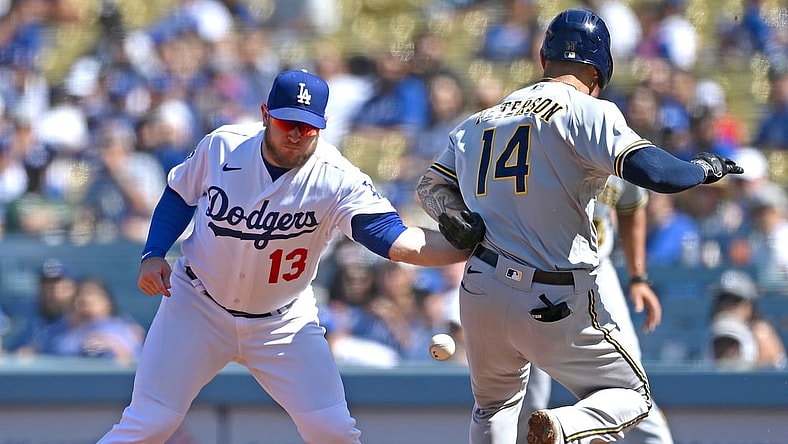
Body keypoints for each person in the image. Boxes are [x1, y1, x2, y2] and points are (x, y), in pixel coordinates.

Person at [414, 9, 743, 444]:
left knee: (493, 408)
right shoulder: (588, 111)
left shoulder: (478, 122)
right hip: (552, 295)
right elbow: (659, 175)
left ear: (543, 59)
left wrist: (454, 216)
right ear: (600, 69)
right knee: (634, 396)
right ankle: (564, 426)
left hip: (481, 289)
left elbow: (429, 187)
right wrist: (703, 167)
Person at [97, 69, 471, 444]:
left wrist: (467, 246)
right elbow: (180, 194)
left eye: (306, 128)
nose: (295, 135)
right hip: (197, 306)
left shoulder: (336, 177)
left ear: (323, 125)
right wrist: (153, 252)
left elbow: (394, 239)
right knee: (151, 423)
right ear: (265, 114)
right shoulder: (223, 146)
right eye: (286, 123)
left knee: (333, 431)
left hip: (283, 323)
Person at [517, 178, 675, 444]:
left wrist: (638, 277)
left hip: (597, 269)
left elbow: (631, 206)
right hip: (538, 270)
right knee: (529, 389)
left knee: (632, 383)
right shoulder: (550, 152)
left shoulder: (620, 155)